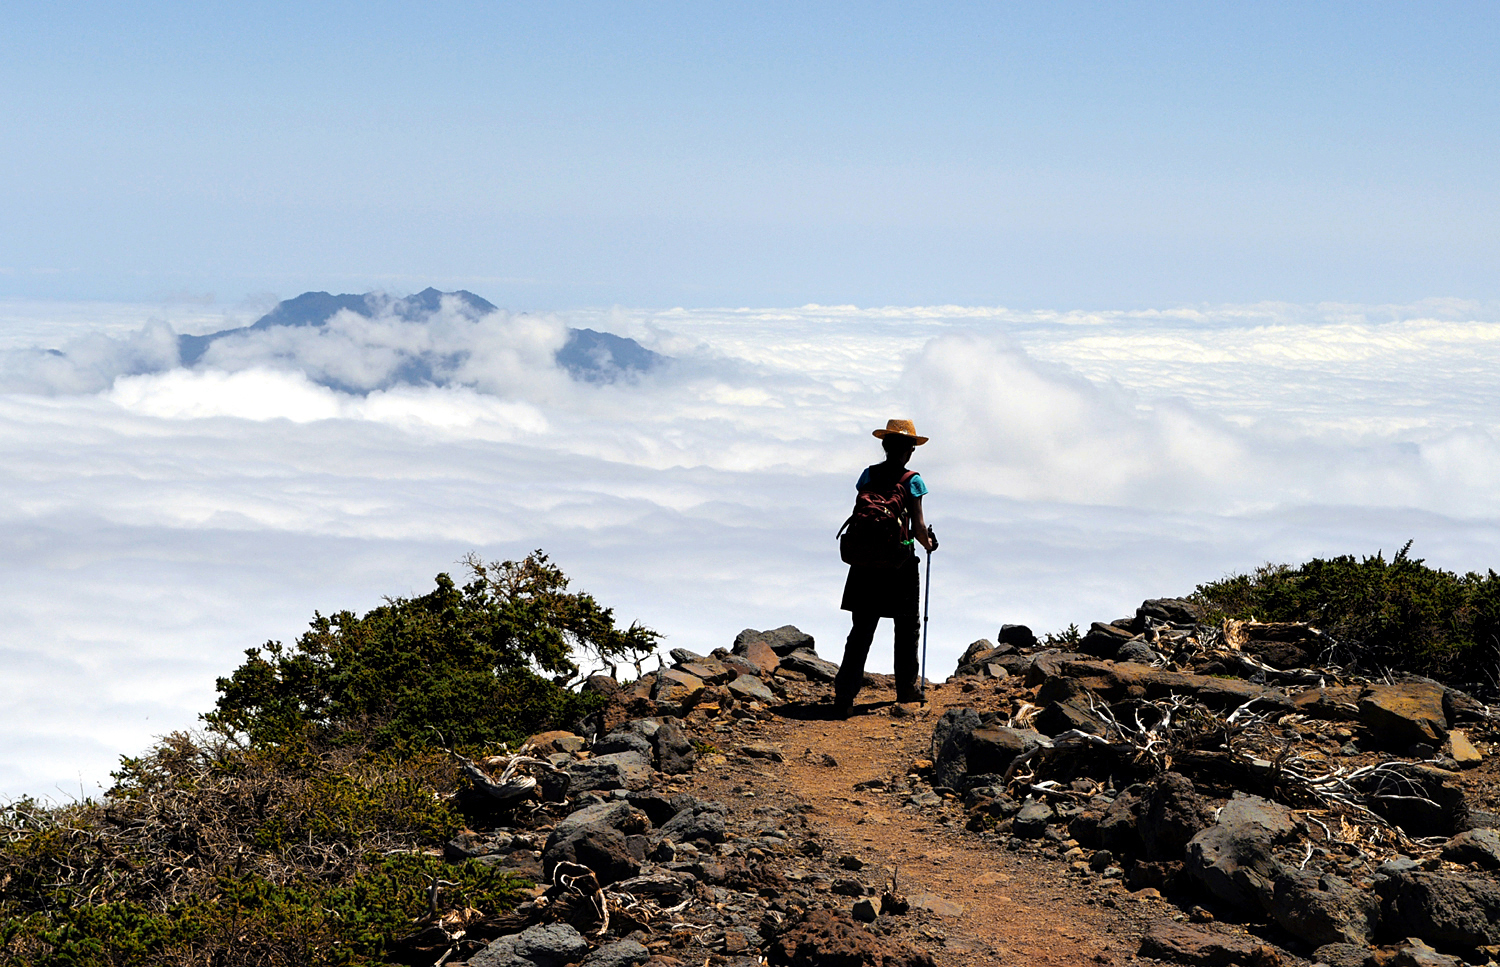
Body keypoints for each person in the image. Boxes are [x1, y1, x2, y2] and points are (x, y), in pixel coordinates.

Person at [834, 419, 938, 717]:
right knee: (906, 627)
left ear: (884, 445)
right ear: (909, 450)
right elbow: (918, 528)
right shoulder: (913, 480)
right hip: (899, 564)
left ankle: (845, 694)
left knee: (861, 630)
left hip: (864, 563)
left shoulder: (868, 475)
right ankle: (906, 688)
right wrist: (929, 543)